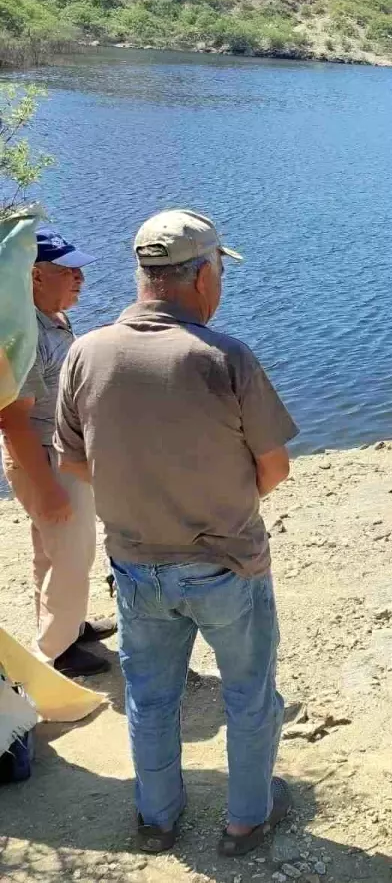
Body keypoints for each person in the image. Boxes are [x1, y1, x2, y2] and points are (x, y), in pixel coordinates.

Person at [54, 210, 298, 856]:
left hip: (134, 567)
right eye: (219, 272)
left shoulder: (87, 352)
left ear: (144, 274)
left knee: (151, 699)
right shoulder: (225, 357)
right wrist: (214, 502)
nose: (220, 286)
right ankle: (246, 819)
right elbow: (273, 467)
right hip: (226, 564)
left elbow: (74, 462)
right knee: (249, 694)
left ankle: (157, 818)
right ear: (199, 276)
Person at [0, 228, 114, 677]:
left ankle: (65, 626)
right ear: (34, 275)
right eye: (68, 271)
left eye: (79, 270)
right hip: (45, 459)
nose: (80, 279)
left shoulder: (50, 320)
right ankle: (57, 654)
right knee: (72, 552)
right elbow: (12, 419)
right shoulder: (24, 336)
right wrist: (48, 488)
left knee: (52, 552)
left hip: (57, 456)